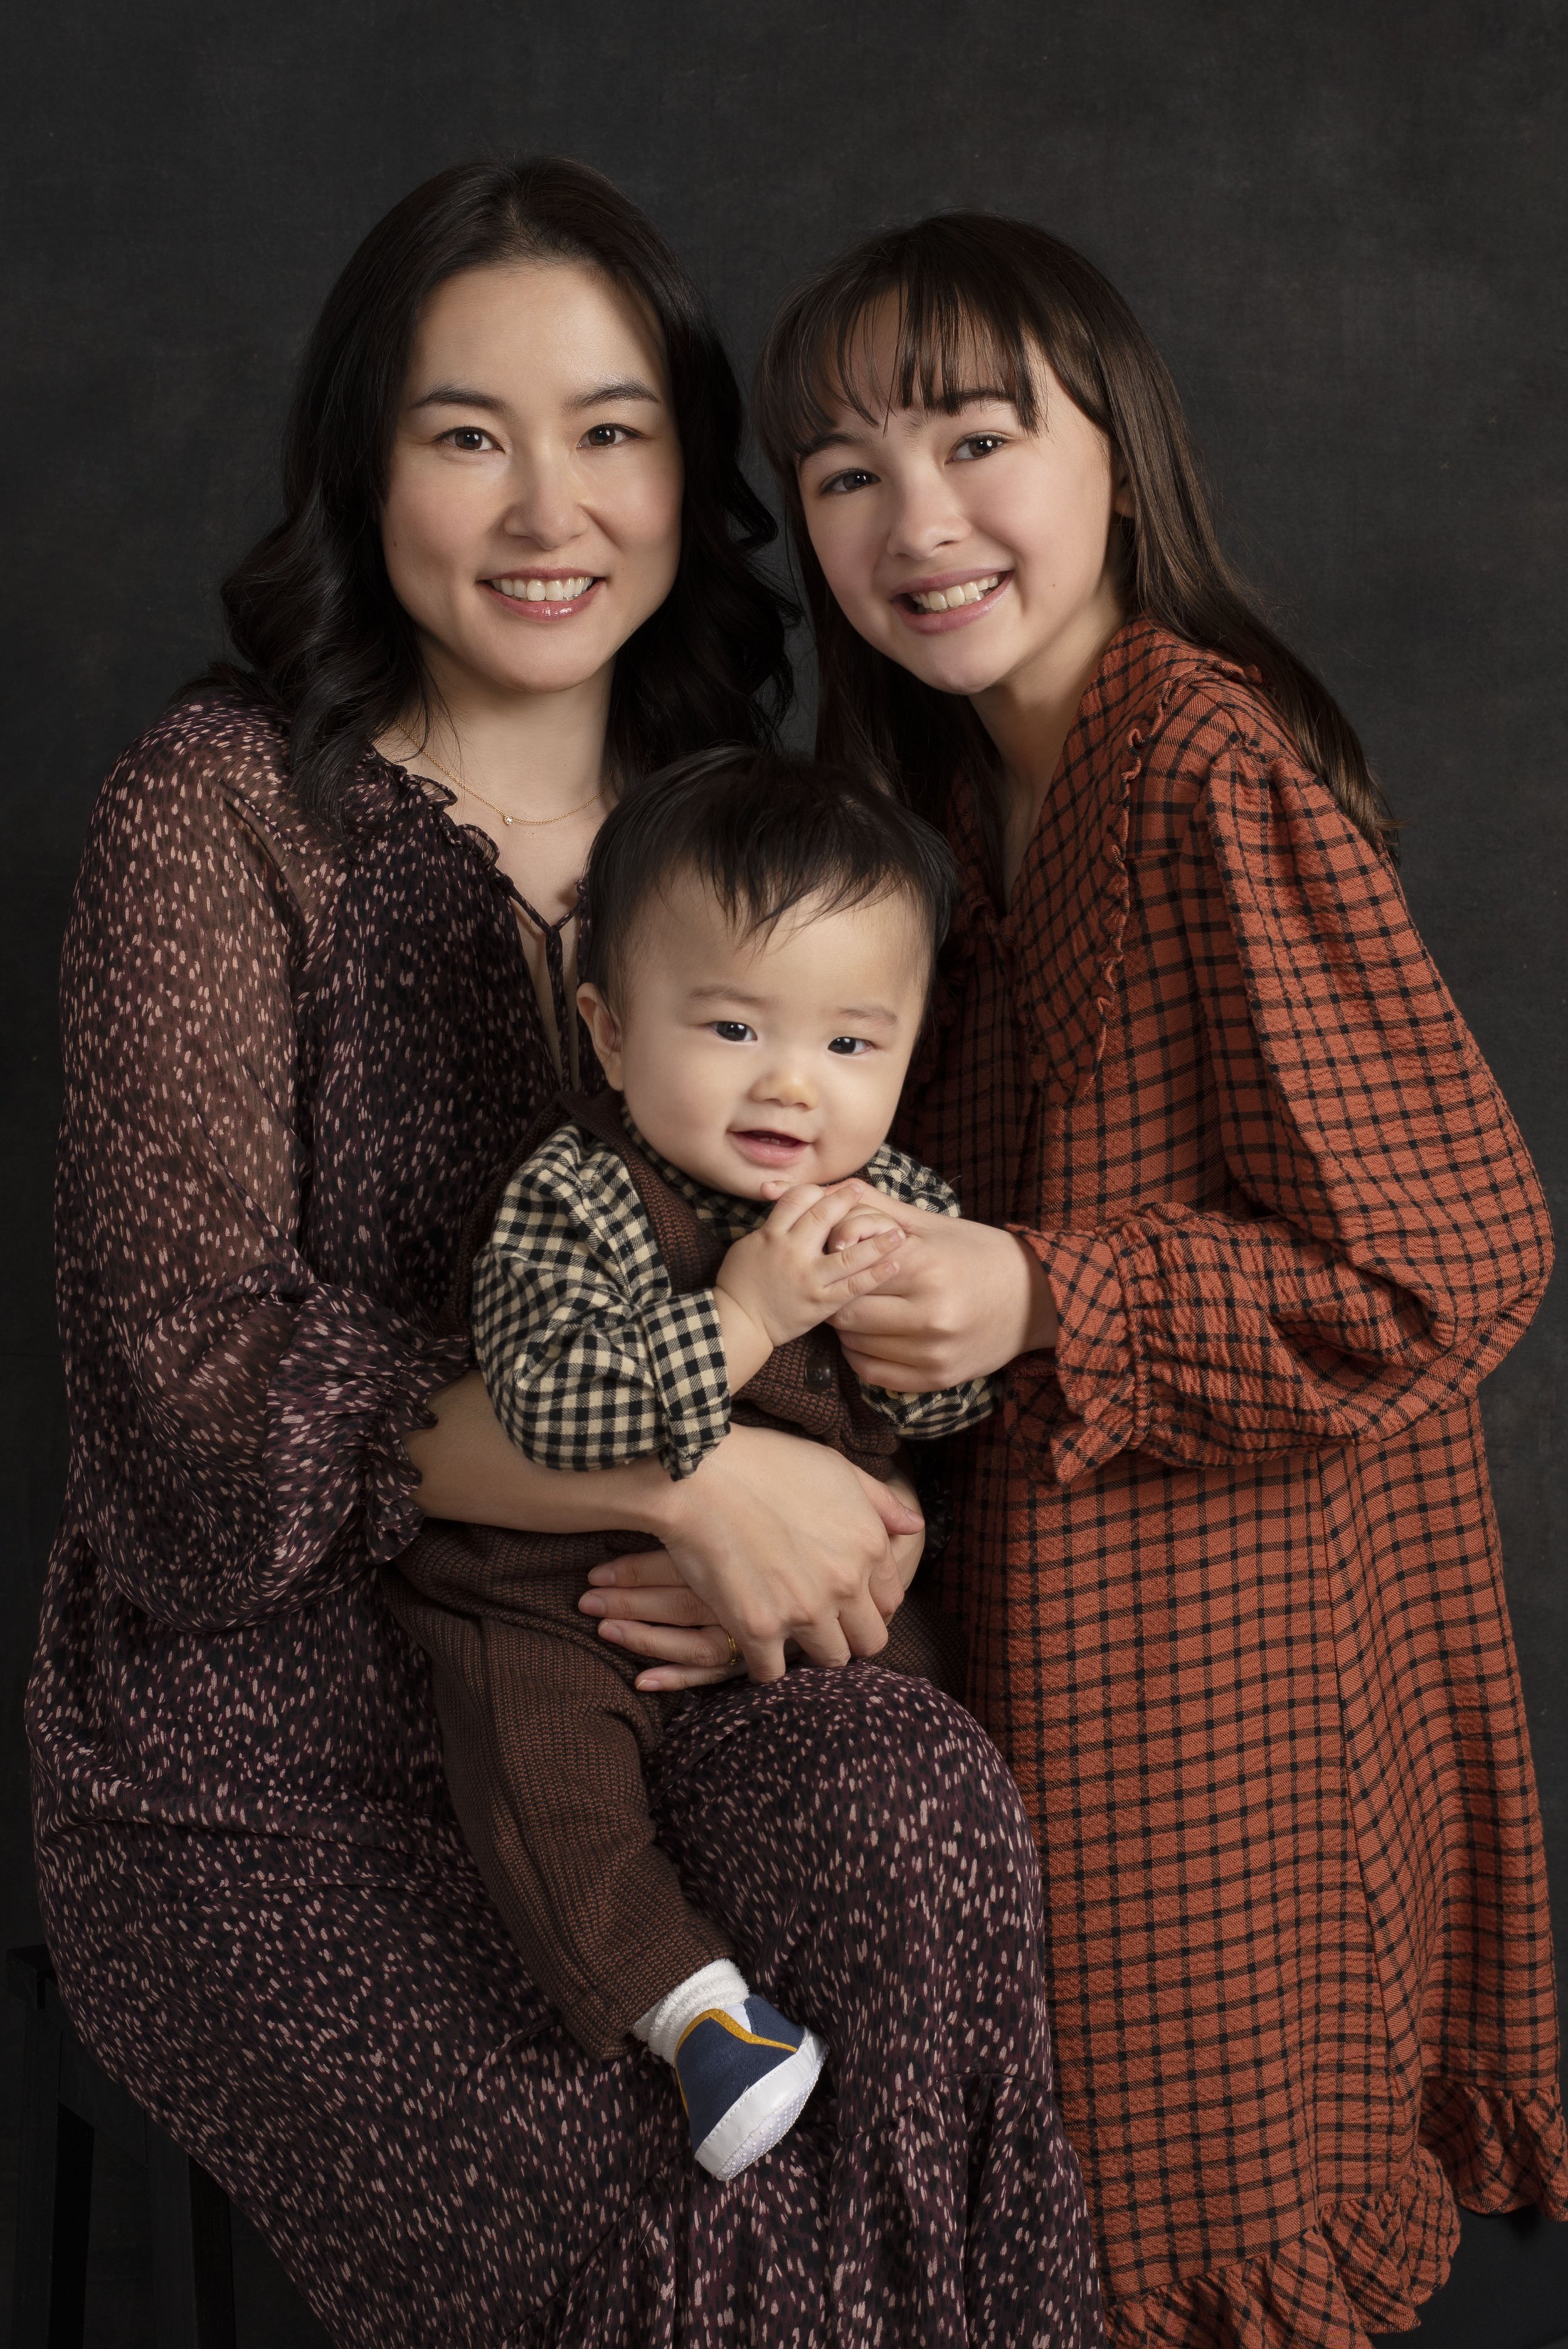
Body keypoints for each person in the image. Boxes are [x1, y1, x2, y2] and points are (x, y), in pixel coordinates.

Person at [28, 160, 1105, 2346]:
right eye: (467, 432)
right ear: (364, 458)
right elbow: (188, 1388)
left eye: (612, 431)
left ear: (688, 469)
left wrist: (852, 1512)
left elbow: (887, 1290)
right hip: (281, 1729)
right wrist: (687, 1468)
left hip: (675, 1667)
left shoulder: (751, 825)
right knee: (666, 2192)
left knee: (926, 1840)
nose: (550, 507)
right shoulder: (222, 814)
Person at [748, 210, 1567, 2343]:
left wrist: (1047, 1299)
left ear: (1118, 444)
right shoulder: (958, 803)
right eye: (845, 471)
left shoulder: (1199, 769)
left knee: (1180, 2220)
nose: (916, 518)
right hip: (1073, 1633)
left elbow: (1455, 1258)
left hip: (1234, 1680)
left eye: (976, 435)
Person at [386, 748, 1001, 2182]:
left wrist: (934, 1348)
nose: (792, 1084)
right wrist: (743, 1317)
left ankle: (930, 2040)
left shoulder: (889, 1201)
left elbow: (945, 1412)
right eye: (730, 1026)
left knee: (926, 1695)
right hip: (560, 1589)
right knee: (534, 1753)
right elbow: (540, 1399)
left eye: (853, 1045)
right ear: (608, 1032)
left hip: (784, 1615)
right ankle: (693, 2012)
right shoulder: (579, 1192)